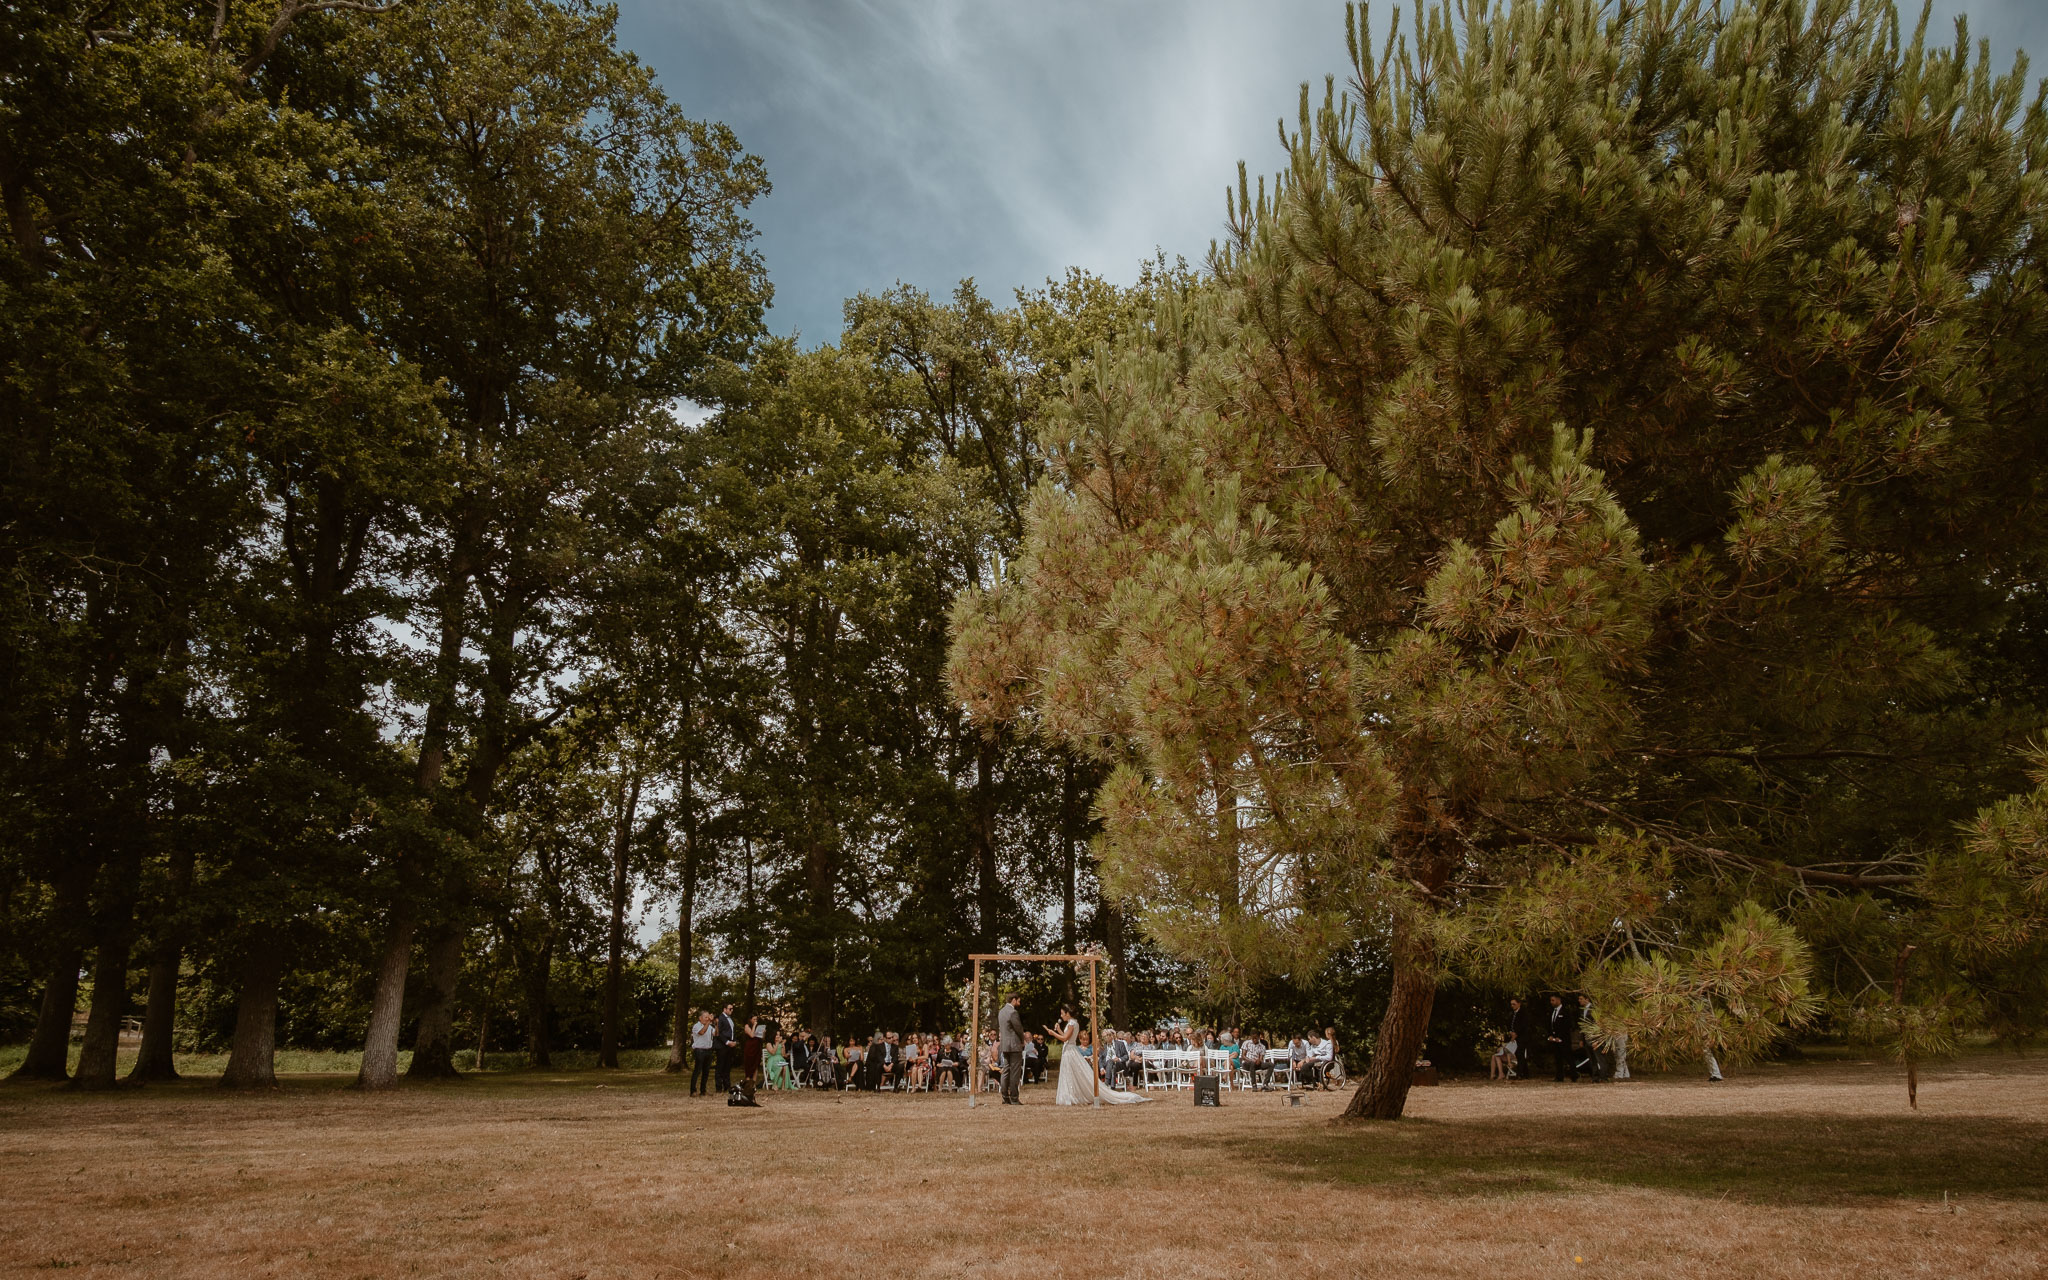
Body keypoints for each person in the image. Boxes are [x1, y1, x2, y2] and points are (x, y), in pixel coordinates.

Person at [1048, 1004, 1149, 1105]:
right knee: (1069, 1072)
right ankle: (1070, 1095)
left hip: (1070, 1050)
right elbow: (1066, 1037)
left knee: (1071, 1072)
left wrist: (1053, 1033)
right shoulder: (1073, 1023)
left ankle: (1071, 1096)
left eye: (1062, 1013)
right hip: (1068, 1049)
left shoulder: (1072, 1024)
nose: (1061, 1016)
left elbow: (1065, 1039)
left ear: (1068, 1013)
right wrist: (1059, 1031)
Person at [997, 994, 1026, 1105]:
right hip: (1014, 1045)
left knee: (1006, 1070)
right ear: (1013, 1000)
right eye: (1018, 1001)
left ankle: (1005, 1097)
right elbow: (1018, 1028)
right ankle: (1014, 1097)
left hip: (1004, 1045)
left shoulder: (1001, 1012)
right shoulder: (1013, 1012)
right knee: (1014, 1072)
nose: (1019, 1003)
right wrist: (1022, 1040)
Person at [1575, 993, 1606, 1082]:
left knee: (1599, 1058)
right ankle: (1595, 1077)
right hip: (1586, 1037)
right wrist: (1581, 1039)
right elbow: (1582, 1026)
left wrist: (1597, 1039)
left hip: (1594, 1037)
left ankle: (1603, 1076)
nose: (1579, 1001)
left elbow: (1598, 1025)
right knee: (1592, 1059)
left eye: (1581, 999)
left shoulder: (1594, 1010)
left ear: (1587, 999)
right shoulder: (1582, 1010)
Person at [1546, 994, 1576, 1081]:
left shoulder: (1565, 1011)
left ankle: (1574, 1075)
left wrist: (1560, 1036)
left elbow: (1567, 1026)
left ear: (1559, 1000)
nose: (1551, 1002)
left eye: (1553, 1000)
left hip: (1564, 1039)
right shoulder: (1551, 1011)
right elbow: (1550, 1024)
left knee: (1568, 1057)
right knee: (1558, 1058)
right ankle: (1559, 1076)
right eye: (1551, 1000)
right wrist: (1551, 1035)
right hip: (1555, 1039)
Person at [689, 1010, 717, 1097]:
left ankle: (703, 1090)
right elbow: (702, 1032)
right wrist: (709, 1022)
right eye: (706, 1017)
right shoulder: (696, 1026)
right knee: (697, 1071)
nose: (707, 1019)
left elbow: (716, 1034)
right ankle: (693, 1090)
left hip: (708, 1050)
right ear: (700, 1018)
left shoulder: (710, 1026)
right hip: (699, 1050)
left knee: (706, 1072)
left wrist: (716, 1024)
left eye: (708, 1017)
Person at [714, 1003, 738, 1093]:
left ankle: (727, 1086)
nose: (732, 1010)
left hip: (730, 1045)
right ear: (724, 1009)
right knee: (720, 1067)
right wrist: (727, 1042)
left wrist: (734, 1041)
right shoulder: (721, 1018)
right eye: (730, 1009)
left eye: (732, 1009)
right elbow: (718, 1033)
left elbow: (732, 1032)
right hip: (722, 1046)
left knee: (727, 1067)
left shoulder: (730, 1019)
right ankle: (719, 1087)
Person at [1506, 997, 1531, 1081]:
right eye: (1511, 1004)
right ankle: (1526, 1072)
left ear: (1519, 1004)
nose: (1512, 1006)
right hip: (1514, 1036)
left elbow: (1523, 1026)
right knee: (1518, 1054)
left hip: (1522, 1037)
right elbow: (1510, 1024)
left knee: (1520, 1054)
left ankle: (1520, 1073)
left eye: (1514, 1004)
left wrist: (1516, 1033)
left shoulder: (1523, 1013)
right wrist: (1510, 1032)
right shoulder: (1512, 1014)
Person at [741, 1014, 764, 1086]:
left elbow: (761, 1038)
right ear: (750, 1020)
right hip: (749, 1048)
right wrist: (754, 1026)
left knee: (755, 1065)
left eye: (756, 1019)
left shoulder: (758, 1027)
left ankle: (753, 1084)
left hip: (757, 1047)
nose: (755, 1021)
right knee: (749, 1065)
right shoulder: (747, 1026)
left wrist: (763, 1032)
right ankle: (748, 1083)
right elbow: (751, 1035)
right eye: (754, 1019)